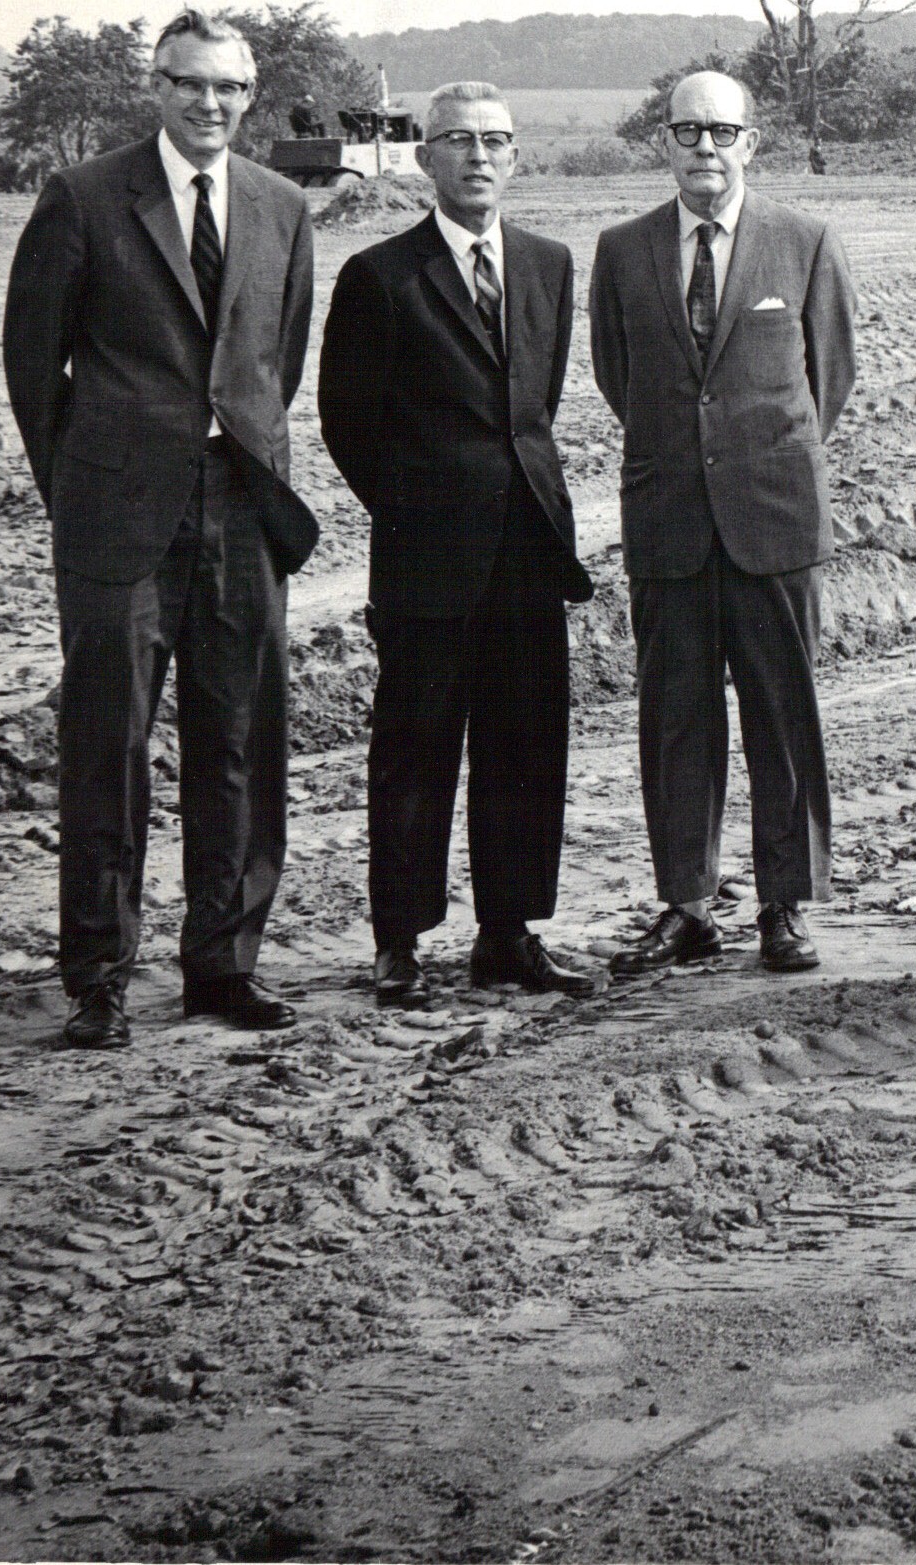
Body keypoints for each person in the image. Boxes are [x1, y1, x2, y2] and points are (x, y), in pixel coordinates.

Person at [3, 10, 319, 1047]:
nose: (210, 104)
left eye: (228, 88)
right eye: (189, 84)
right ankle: (99, 973)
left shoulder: (280, 207)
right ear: (157, 86)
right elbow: (31, 365)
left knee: (239, 740)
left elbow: (277, 361)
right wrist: (87, 487)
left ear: (249, 93)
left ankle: (222, 965)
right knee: (109, 743)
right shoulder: (85, 199)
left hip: (242, 509)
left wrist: (246, 455)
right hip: (116, 519)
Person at [317, 82, 601, 1009]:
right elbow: (347, 423)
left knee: (525, 745)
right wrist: (420, 511)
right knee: (416, 746)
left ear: (516, 157)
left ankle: (508, 934)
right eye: (458, 142)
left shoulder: (551, 265)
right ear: (425, 159)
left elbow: (535, 406)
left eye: (496, 141)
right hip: (427, 556)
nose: (479, 157)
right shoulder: (381, 277)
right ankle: (398, 940)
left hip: (527, 544)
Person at [589, 71, 858, 978]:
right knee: (675, 720)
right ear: (663, 141)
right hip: (670, 519)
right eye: (687, 131)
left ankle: (784, 904)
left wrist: (758, 459)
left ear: (753, 141)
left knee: (783, 717)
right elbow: (619, 379)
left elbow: (831, 378)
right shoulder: (622, 251)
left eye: (722, 132)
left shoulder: (806, 243)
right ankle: (687, 904)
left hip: (773, 519)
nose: (705, 147)